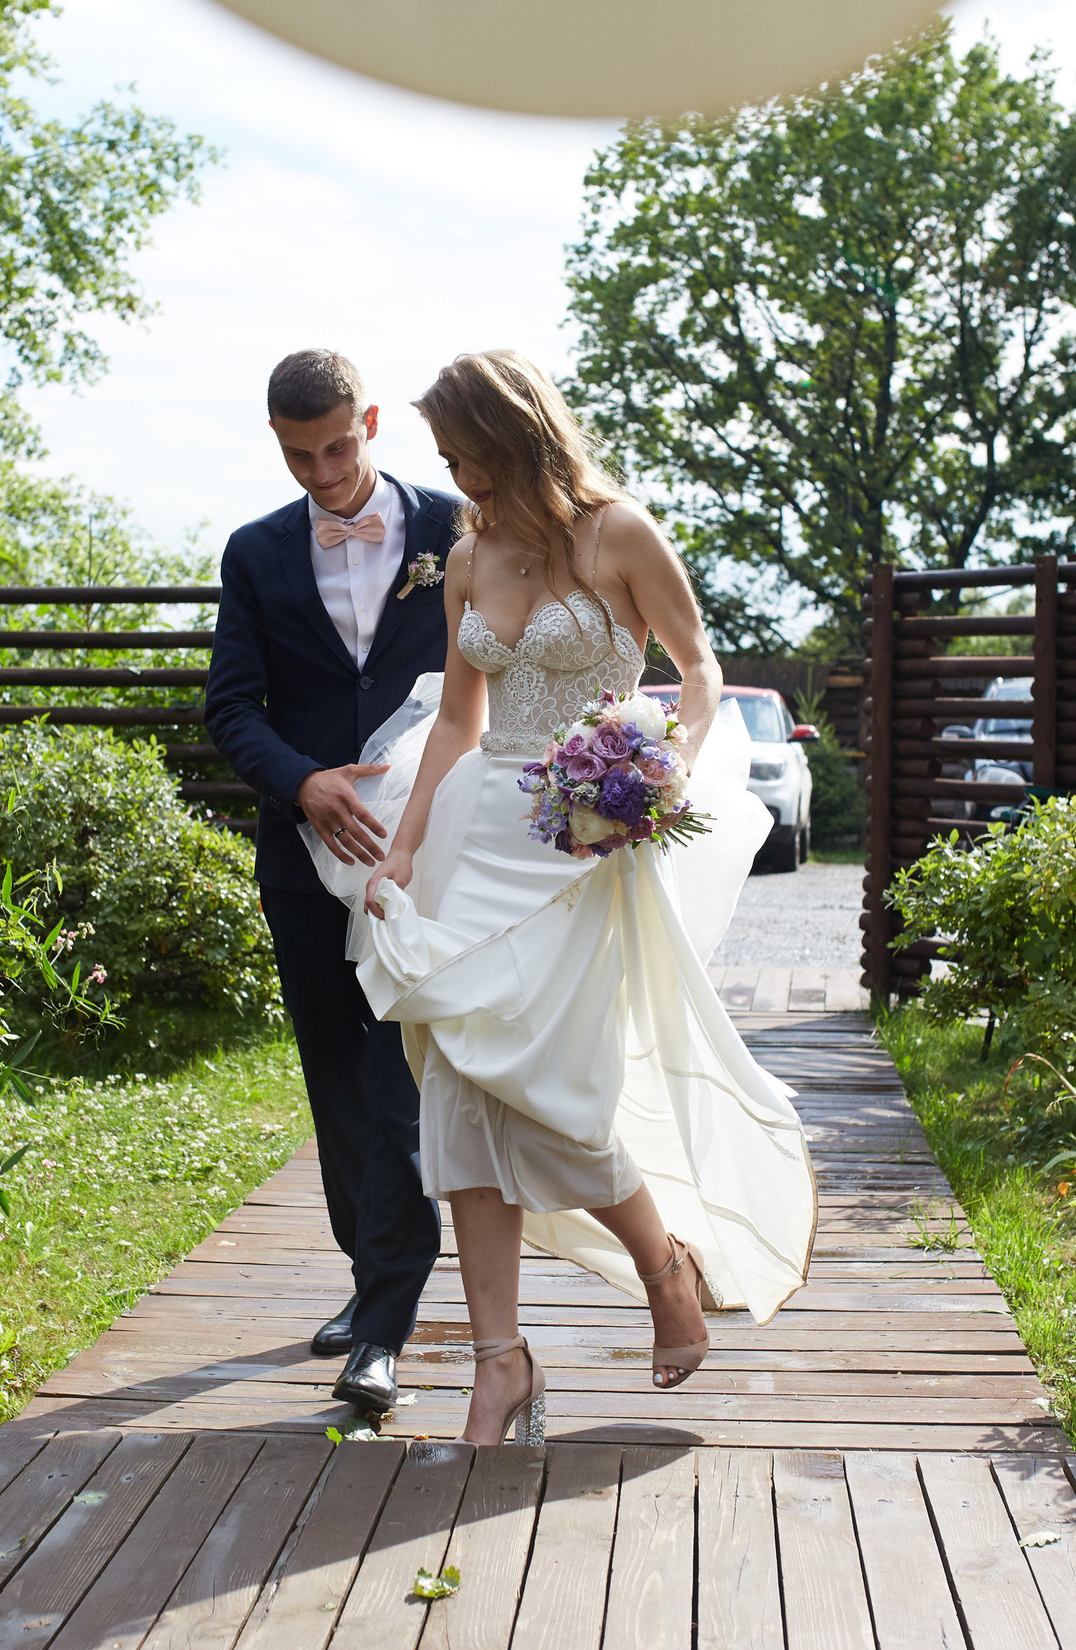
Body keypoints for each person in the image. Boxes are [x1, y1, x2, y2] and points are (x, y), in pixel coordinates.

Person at [347, 350, 815, 1446]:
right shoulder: (467, 555)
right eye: (447, 462)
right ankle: (497, 1364)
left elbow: (696, 672)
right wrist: (404, 850)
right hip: (481, 834)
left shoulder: (619, 533)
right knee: (458, 1092)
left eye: (466, 455)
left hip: (586, 843)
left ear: (516, 437)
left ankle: (664, 1267)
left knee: (553, 1087)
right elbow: (459, 723)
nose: (457, 478)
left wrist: (656, 777)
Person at [203, 349, 463, 1418]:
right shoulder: (254, 552)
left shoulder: (456, 528)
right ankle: (370, 1285)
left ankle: (384, 1329)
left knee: (393, 1081)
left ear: (369, 421)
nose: (322, 474)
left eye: (337, 449)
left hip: (432, 852)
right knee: (333, 1079)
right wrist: (300, 781)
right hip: (303, 861)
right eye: (297, 456)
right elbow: (230, 707)